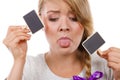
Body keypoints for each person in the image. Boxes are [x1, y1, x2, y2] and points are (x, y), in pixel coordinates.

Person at [3, 0, 120, 80]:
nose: (64, 26)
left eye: (74, 18)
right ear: (40, 22)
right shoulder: (27, 67)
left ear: (85, 23)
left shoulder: (106, 66)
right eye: (53, 18)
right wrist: (18, 60)